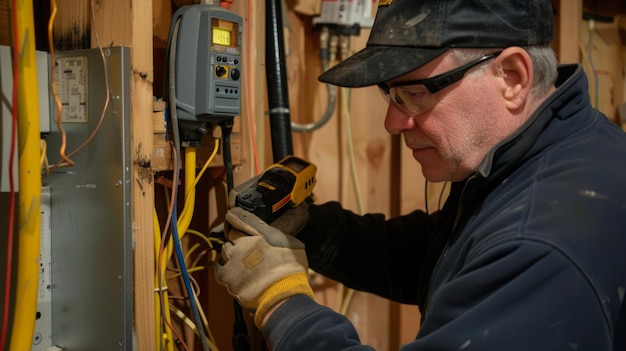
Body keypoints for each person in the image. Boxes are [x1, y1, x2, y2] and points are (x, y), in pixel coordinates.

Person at [215, 0, 626, 349]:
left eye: (415, 93)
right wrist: (315, 229)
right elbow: (448, 254)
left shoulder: (542, 245)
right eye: (390, 94)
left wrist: (281, 300)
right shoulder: (549, 156)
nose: (393, 122)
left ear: (512, 77)